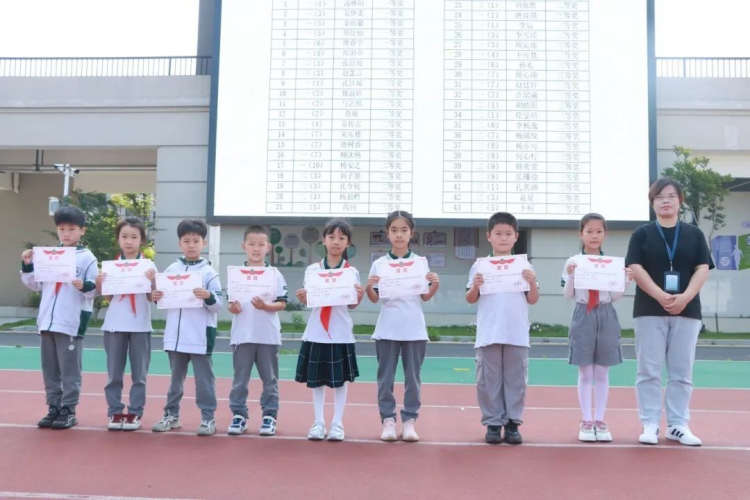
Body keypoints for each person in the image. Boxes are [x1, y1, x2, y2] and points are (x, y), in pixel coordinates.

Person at [625, 177, 714, 446]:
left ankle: (677, 424)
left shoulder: (694, 234)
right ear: (652, 203)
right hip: (649, 309)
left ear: (680, 201)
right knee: (648, 370)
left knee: (681, 372)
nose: (666, 201)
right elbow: (635, 267)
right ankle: (650, 423)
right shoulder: (641, 234)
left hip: (687, 310)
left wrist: (685, 297)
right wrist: (660, 295)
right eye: (660, 197)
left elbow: (703, 268)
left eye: (671, 196)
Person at [20, 205, 98, 429]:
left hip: (70, 322)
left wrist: (84, 285)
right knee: (50, 369)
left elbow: (95, 288)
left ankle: (68, 409)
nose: (66, 234)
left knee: (70, 370)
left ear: (82, 230)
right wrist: (28, 265)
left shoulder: (87, 258)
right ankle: (53, 407)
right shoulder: (48, 256)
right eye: (62, 229)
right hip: (47, 321)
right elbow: (35, 285)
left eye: (72, 229)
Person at [366, 210, 440, 442]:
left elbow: (425, 296)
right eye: (394, 230)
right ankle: (388, 420)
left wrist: (435, 285)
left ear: (411, 233)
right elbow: (374, 298)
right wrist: (369, 286)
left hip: (414, 329)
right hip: (387, 328)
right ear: (387, 233)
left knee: (413, 379)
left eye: (404, 230)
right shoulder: (379, 264)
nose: (399, 235)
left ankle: (409, 421)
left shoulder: (420, 263)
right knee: (385, 379)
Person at [465, 212, 539, 444]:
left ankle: (513, 423)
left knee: (516, 379)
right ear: (489, 236)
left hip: (516, 332)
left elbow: (533, 299)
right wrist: (475, 286)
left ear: (516, 236)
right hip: (489, 332)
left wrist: (532, 282)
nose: (503, 238)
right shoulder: (480, 265)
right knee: (488, 380)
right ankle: (493, 423)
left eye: (508, 234)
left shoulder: (523, 265)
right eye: (498, 234)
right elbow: (470, 298)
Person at [562, 213, 630, 442]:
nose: (594, 236)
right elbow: (568, 294)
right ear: (581, 234)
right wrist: (571, 276)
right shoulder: (573, 261)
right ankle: (586, 420)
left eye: (599, 231)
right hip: (583, 312)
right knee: (585, 371)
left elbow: (615, 296)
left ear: (605, 234)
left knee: (602, 371)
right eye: (589, 231)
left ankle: (600, 420)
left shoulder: (612, 263)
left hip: (606, 312)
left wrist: (625, 279)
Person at [294, 218, 364, 442]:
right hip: (316, 332)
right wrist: (304, 297)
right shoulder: (313, 270)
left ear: (348, 243)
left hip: (340, 333)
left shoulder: (351, 272)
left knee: (340, 381)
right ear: (323, 240)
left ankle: (337, 424)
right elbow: (311, 300)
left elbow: (351, 305)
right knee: (317, 382)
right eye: (331, 237)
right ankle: (318, 422)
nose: (336, 242)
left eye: (341, 238)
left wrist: (359, 296)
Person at [151, 219, 223, 436]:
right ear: (180, 243)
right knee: (175, 381)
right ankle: (171, 415)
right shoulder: (171, 270)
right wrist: (156, 296)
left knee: (204, 381)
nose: (191, 245)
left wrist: (208, 296)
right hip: (175, 336)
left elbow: (218, 305)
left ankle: (208, 418)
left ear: (204, 243)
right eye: (186, 241)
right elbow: (161, 298)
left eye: (196, 241)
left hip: (200, 335)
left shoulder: (209, 273)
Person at [226, 225, 287, 436]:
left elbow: (282, 303)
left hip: (267, 336)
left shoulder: (274, 274)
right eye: (251, 244)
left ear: (268, 247)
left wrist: (265, 306)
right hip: (242, 336)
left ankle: (269, 416)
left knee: (270, 380)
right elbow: (231, 305)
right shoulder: (235, 274)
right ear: (244, 246)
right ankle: (239, 415)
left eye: (261, 244)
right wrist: (233, 308)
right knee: (240, 380)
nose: (256, 248)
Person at [96, 217, 156, 431]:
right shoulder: (110, 266)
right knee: (114, 374)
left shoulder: (149, 266)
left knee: (139, 375)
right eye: (124, 236)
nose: (129, 241)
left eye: (134, 237)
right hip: (114, 325)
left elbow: (153, 297)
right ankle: (114, 411)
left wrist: (153, 281)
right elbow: (108, 298)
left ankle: (134, 412)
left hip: (140, 326)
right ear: (118, 239)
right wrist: (100, 283)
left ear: (142, 240)